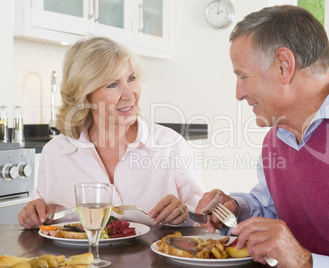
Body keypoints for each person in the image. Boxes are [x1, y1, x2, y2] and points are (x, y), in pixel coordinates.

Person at [196, 5, 329, 268]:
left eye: (243, 76)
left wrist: (305, 261)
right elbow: (270, 206)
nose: (238, 93)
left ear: (284, 66)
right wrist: (235, 207)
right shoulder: (277, 137)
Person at [18, 36, 205, 229]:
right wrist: (31, 215)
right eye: (112, 84)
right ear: (85, 95)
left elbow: (202, 217)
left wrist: (184, 213)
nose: (130, 94)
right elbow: (37, 213)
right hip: (78, 260)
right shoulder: (55, 153)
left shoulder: (170, 144)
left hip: (153, 259)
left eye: (131, 79)